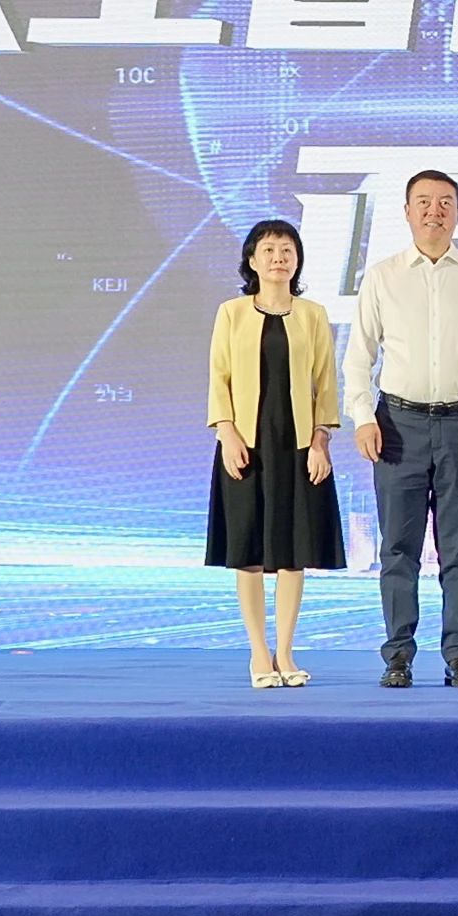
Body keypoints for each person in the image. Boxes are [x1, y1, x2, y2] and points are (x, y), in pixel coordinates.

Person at [344, 169, 458, 689]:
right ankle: (397, 655)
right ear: (406, 211)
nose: (434, 211)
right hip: (398, 425)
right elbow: (358, 358)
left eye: (445, 202)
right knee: (398, 549)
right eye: (423, 201)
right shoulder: (383, 276)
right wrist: (363, 417)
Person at [206, 217, 347, 687]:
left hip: (298, 444)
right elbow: (219, 377)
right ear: (251, 260)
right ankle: (258, 653)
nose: (278, 258)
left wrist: (321, 440)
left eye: (287, 250)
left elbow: (325, 383)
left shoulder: (313, 314)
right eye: (268, 250)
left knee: (292, 551)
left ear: (298, 260)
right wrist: (226, 433)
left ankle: (285, 652)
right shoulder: (231, 312)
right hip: (245, 443)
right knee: (247, 549)